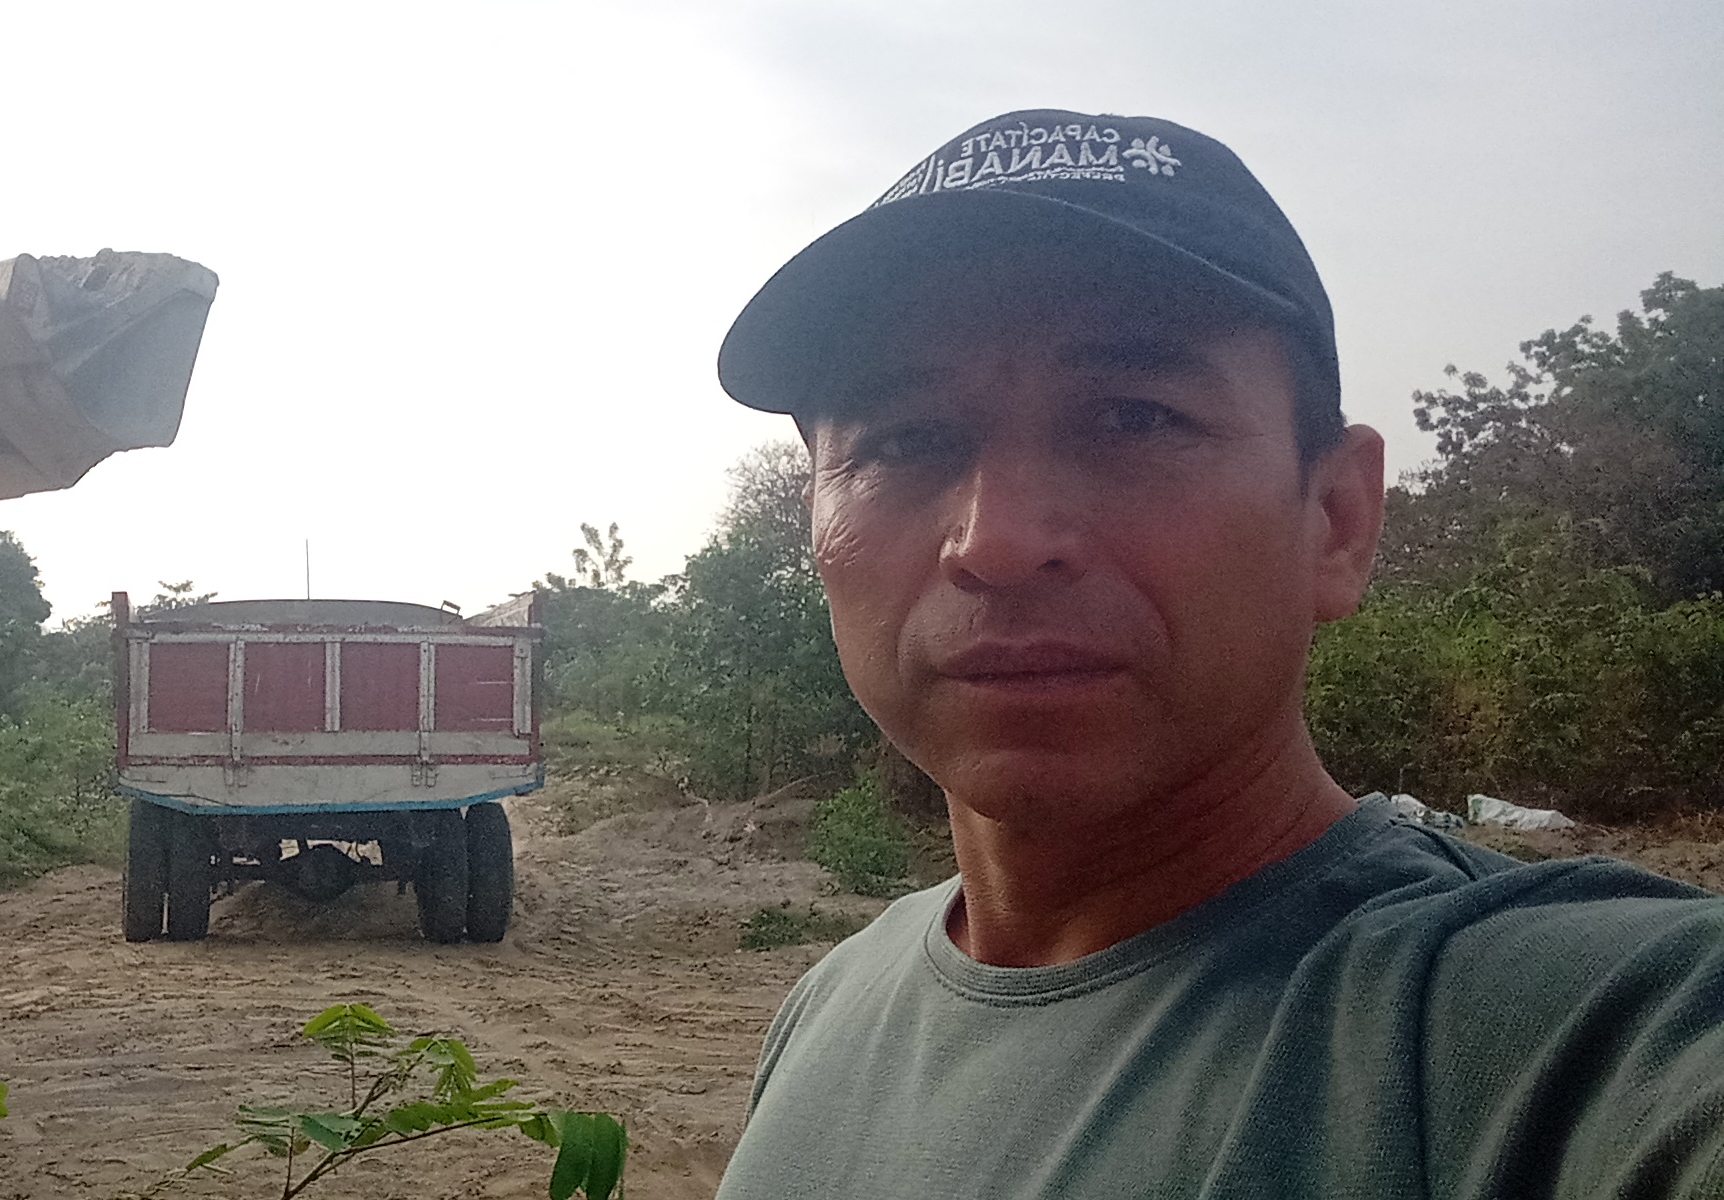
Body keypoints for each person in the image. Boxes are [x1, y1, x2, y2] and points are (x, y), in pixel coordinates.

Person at [709, 109, 1724, 1199]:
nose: (995, 542)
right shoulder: (830, 1008)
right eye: (905, 440)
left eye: (1133, 418)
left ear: (1336, 520)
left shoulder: (1584, 1036)